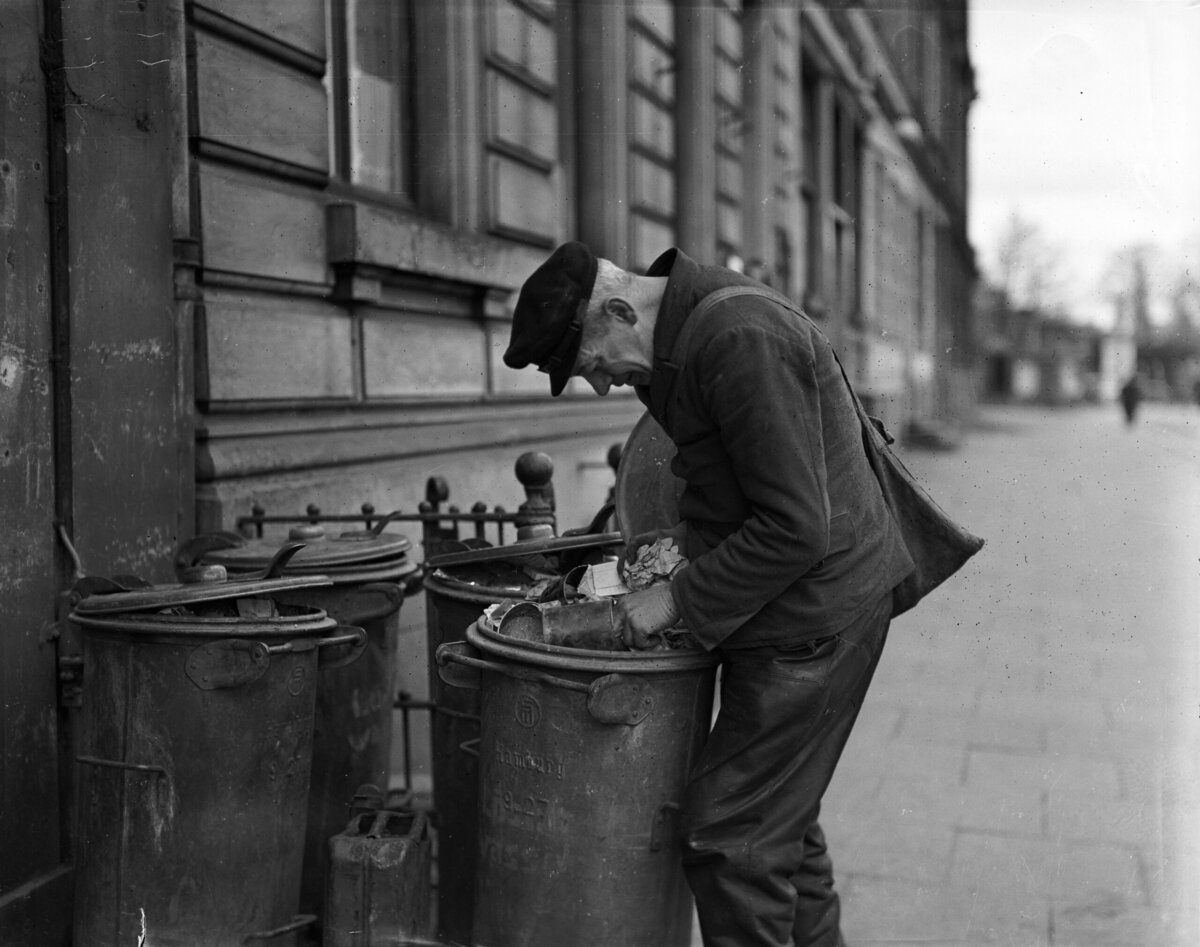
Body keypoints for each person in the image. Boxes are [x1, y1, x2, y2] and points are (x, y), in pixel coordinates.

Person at [503, 242, 916, 947]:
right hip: (794, 604)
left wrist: (673, 600)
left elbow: (796, 528)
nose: (599, 386)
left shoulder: (737, 337)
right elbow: (730, 488)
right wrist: (674, 550)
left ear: (621, 310)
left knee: (732, 838)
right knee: (780, 826)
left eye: (593, 364)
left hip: (820, 616)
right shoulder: (679, 342)